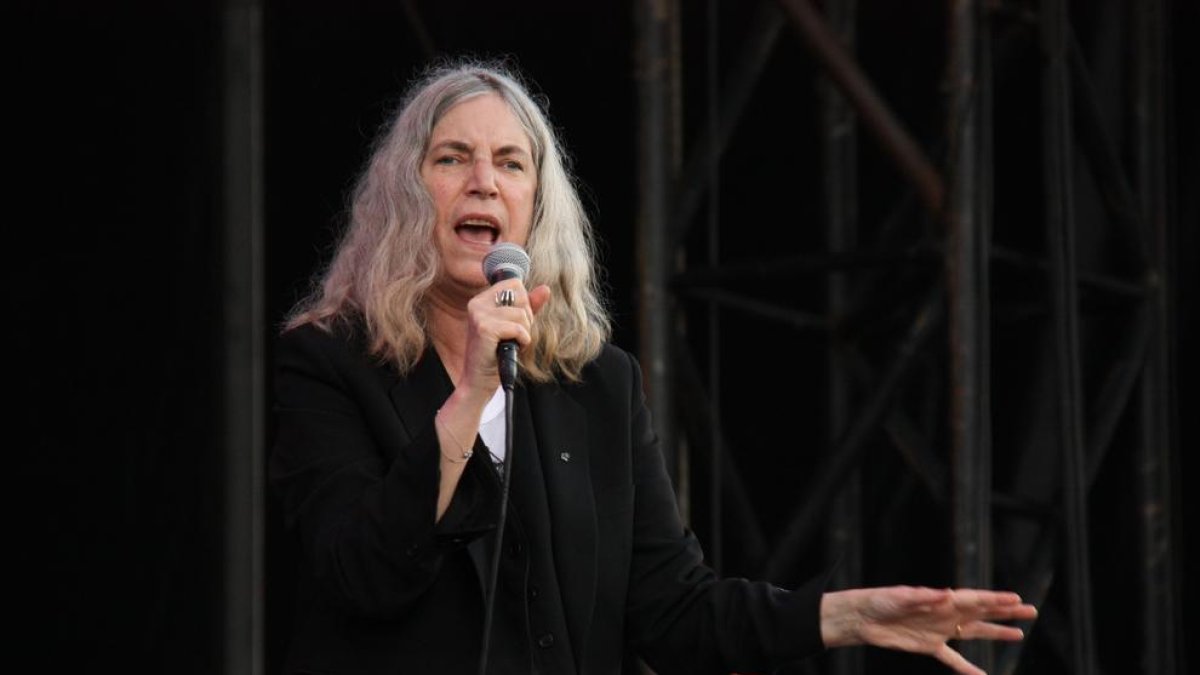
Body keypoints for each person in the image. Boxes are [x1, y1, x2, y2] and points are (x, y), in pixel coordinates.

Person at [268, 57, 1037, 675]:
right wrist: (470, 392)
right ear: (409, 193)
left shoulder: (597, 385)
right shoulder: (332, 363)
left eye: (511, 163)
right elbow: (362, 571)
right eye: (453, 158)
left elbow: (674, 613)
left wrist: (839, 617)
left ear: (535, 206)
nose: (484, 181)